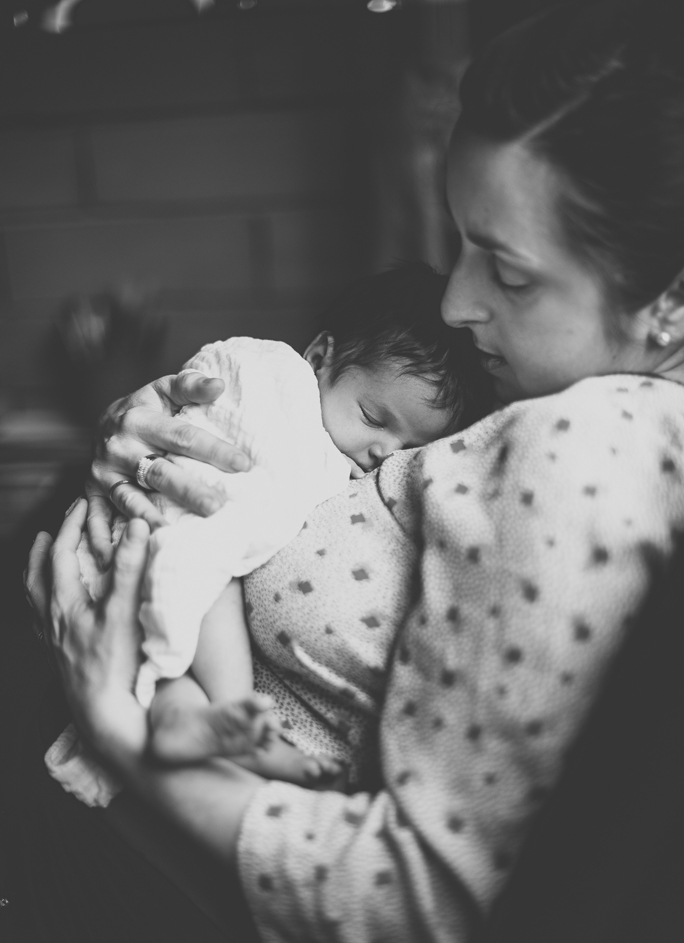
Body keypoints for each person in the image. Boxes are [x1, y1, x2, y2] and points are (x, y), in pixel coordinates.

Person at [17, 0, 684, 943]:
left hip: (166, 873)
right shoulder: (562, 380)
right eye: (463, 244)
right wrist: (144, 424)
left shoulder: (586, 443)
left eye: (505, 269)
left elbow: (413, 905)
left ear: (668, 304)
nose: (459, 302)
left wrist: (123, 731)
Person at [46, 263, 492, 810]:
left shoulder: (368, 460)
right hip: (164, 527)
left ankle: (189, 724)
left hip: (157, 594)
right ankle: (234, 710)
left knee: (182, 655)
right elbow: (218, 403)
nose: (382, 453)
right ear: (319, 357)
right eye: (374, 417)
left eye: (406, 447)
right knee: (209, 576)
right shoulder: (275, 377)